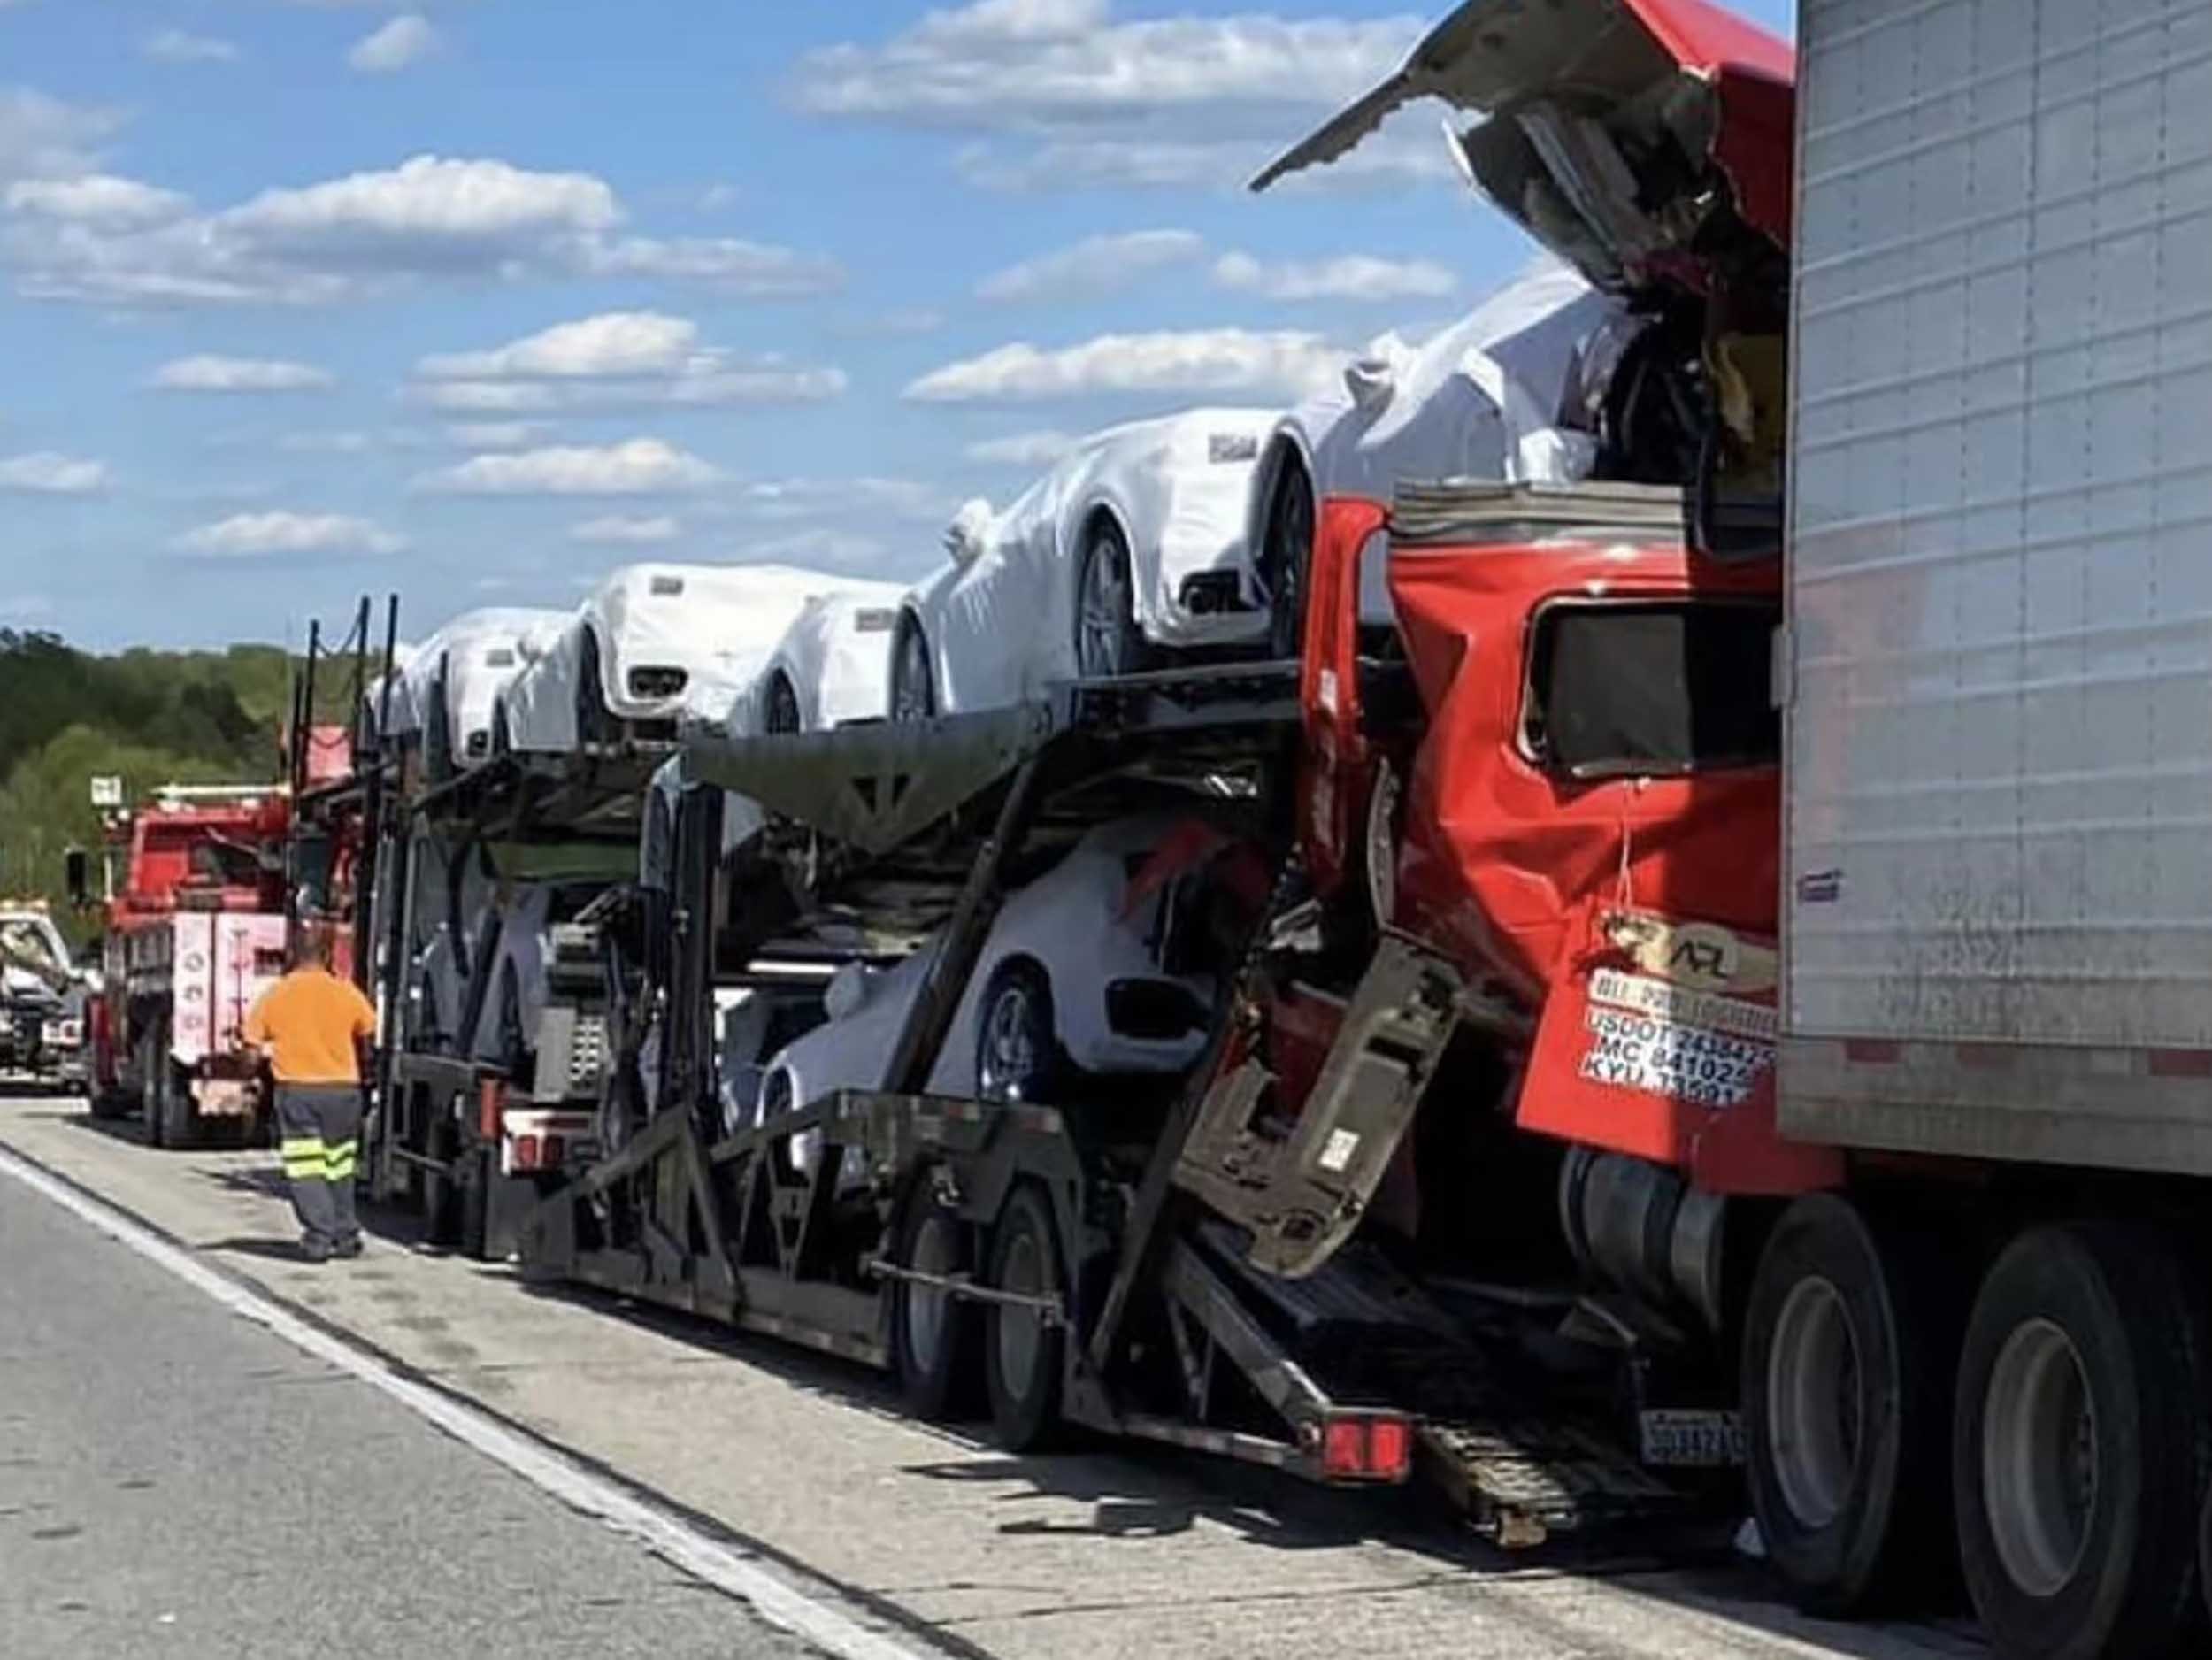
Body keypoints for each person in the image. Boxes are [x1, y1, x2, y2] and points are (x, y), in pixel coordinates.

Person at [242, 924, 377, 1263]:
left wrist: (250, 1076)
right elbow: (371, 1030)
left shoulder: (277, 994)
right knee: (340, 1165)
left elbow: (251, 1048)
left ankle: (319, 1236)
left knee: (306, 1167)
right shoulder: (345, 992)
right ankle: (346, 1234)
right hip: (344, 1092)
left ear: (292, 956)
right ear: (329, 955)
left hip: (299, 1091)